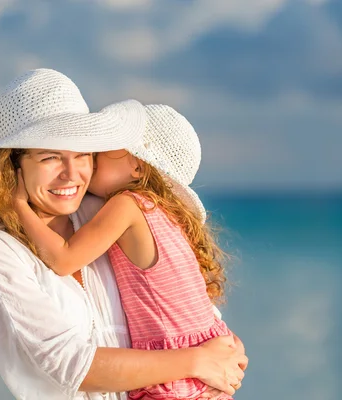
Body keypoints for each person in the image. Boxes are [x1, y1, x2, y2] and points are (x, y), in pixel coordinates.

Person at [0, 68, 247, 400]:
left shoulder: (103, 212)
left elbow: (186, 301)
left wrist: (227, 353)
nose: (71, 174)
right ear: (13, 167)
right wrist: (195, 361)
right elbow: (69, 365)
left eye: (82, 155)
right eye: (50, 157)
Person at [14, 104, 234, 400]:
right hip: (202, 376)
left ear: (138, 166)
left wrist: (18, 206)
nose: (92, 154)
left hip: (169, 380)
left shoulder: (127, 206)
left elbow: (65, 259)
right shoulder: (165, 213)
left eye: (104, 147)